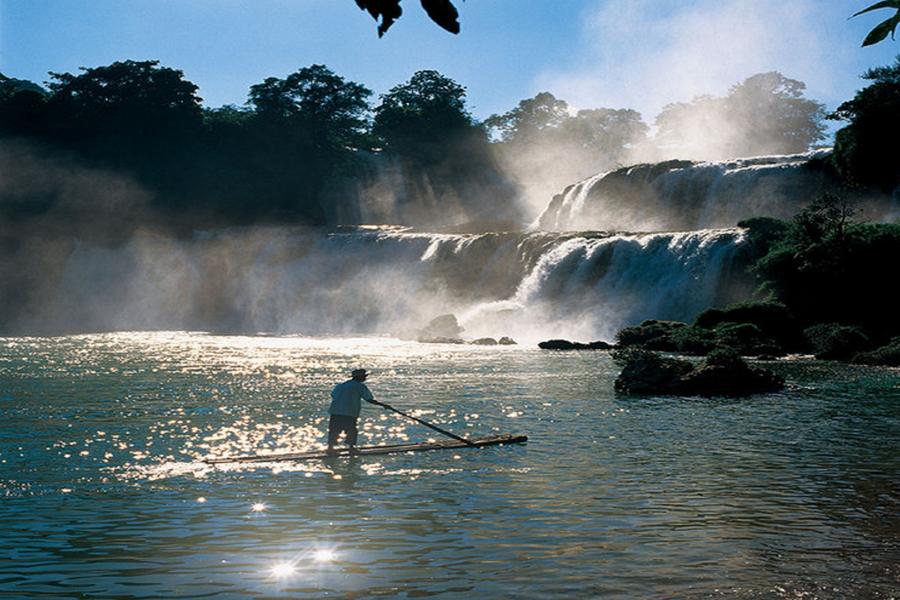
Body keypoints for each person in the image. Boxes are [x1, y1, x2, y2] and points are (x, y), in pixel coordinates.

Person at [327, 368, 380, 453]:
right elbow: (369, 399)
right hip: (349, 412)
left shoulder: (342, 385)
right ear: (360, 377)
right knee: (351, 429)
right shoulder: (360, 386)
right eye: (364, 376)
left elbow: (333, 395)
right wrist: (383, 405)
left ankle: (330, 448)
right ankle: (351, 448)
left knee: (334, 430)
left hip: (335, 411)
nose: (365, 378)